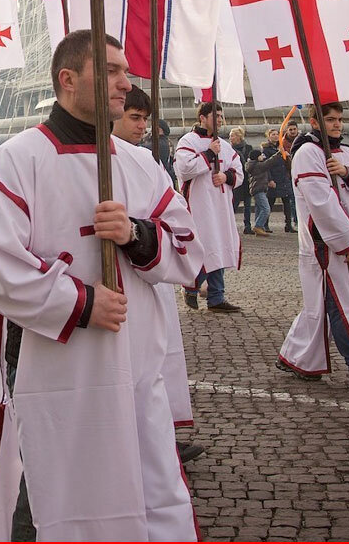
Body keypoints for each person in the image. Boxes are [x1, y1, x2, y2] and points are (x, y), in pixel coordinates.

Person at [0, 30, 202, 540]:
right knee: (54, 480)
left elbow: (189, 252)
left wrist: (138, 236)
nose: (127, 83)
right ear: (67, 79)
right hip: (52, 361)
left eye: (126, 70)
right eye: (113, 71)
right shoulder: (18, 157)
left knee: (147, 479)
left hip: (136, 361)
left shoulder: (141, 164)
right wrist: (81, 301)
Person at [113, 86, 204, 464]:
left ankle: (160, 437)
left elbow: (177, 220)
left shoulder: (143, 161)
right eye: (135, 118)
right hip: (115, 292)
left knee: (156, 361)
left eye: (145, 120)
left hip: (152, 274)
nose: (142, 127)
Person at [276, 104, 349, 393]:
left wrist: (347, 172)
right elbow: (320, 202)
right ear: (315, 121)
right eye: (330, 119)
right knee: (341, 304)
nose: (337, 124)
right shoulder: (307, 153)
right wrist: (343, 239)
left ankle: (297, 356)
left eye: (339, 119)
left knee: (325, 302)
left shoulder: (348, 153)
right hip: (327, 242)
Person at [175, 101, 243, 312]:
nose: (221, 120)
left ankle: (216, 297)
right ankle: (191, 288)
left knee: (219, 247)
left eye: (222, 116)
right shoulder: (188, 140)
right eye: (216, 116)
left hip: (220, 206)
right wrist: (208, 155)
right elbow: (184, 169)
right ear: (203, 117)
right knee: (203, 247)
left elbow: (238, 170)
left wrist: (226, 176)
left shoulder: (225, 144)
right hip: (200, 205)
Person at [263, 128, 296, 233]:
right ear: (268, 136)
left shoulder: (281, 147)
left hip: (283, 177)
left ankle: (288, 225)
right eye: (273, 134)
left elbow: (286, 163)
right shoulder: (266, 149)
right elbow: (265, 166)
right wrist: (269, 179)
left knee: (287, 203)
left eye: (277, 134)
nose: (275, 136)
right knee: (270, 203)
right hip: (274, 177)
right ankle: (265, 224)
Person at [246, 145, 281, 236]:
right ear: (257, 157)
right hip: (259, 189)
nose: (263, 156)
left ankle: (259, 228)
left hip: (257, 189)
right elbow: (269, 162)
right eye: (261, 155)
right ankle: (258, 226)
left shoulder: (252, 165)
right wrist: (279, 153)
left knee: (259, 209)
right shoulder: (258, 165)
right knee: (266, 209)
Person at [227, 126, 253, 234]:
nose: (230, 138)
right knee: (234, 204)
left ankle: (248, 226)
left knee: (248, 205)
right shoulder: (228, 149)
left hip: (246, 179)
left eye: (232, 136)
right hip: (236, 180)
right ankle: (229, 226)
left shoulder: (248, 148)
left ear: (238, 137)